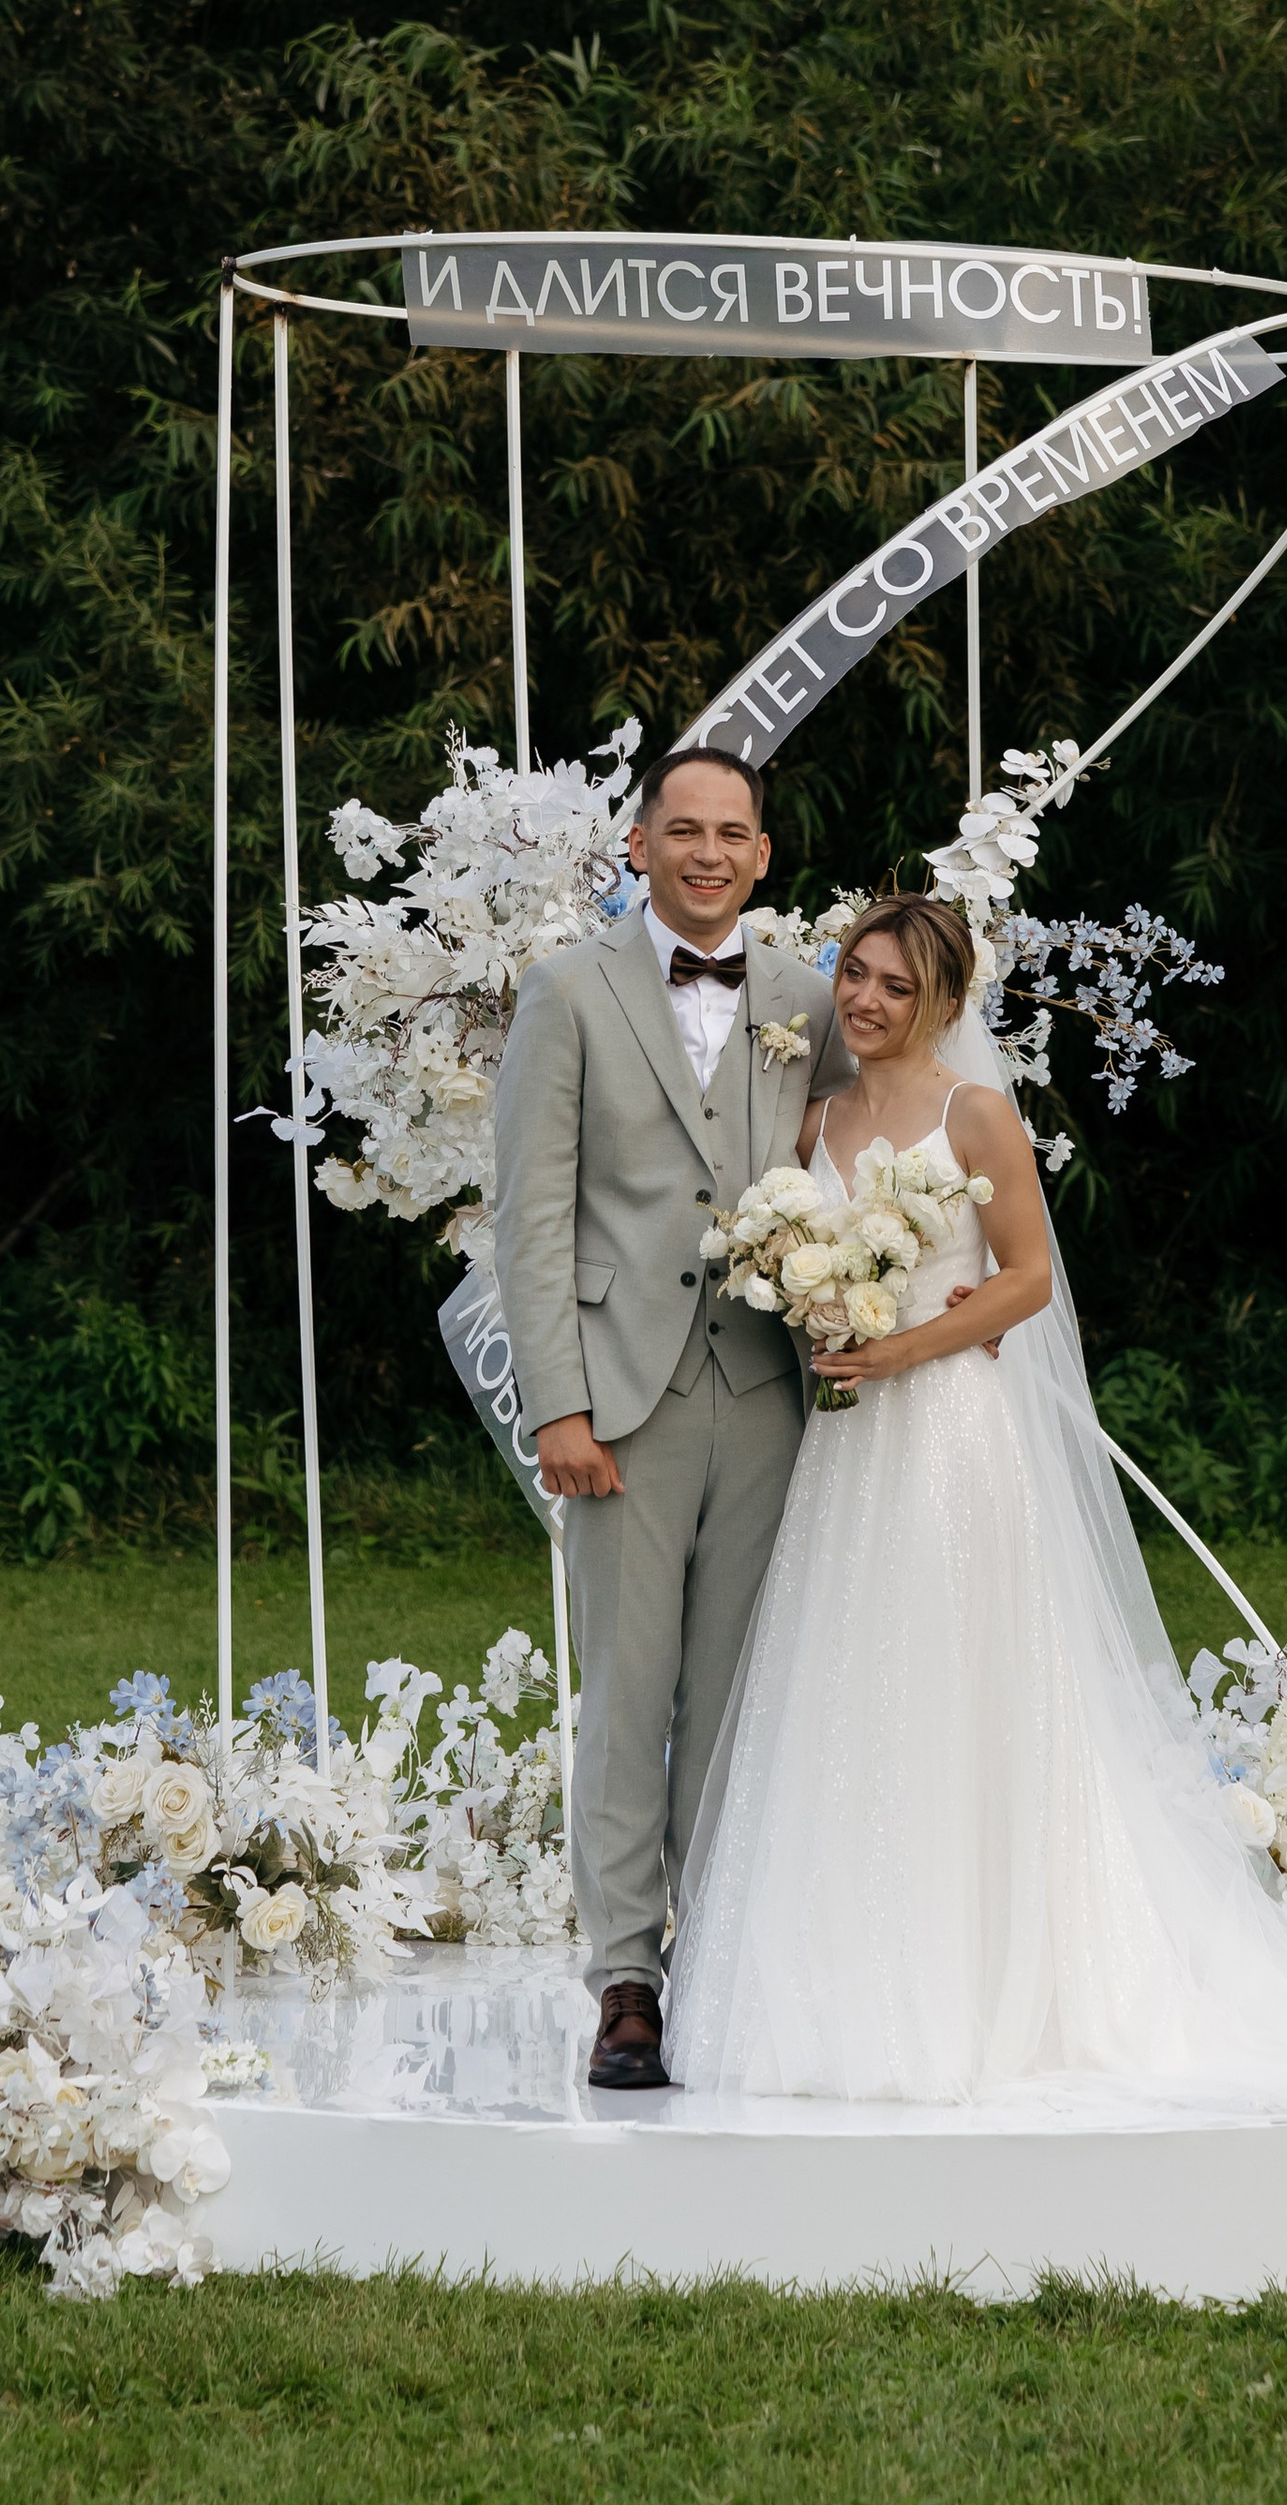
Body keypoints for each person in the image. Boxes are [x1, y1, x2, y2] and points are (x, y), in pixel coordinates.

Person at [663, 891, 1287, 2152]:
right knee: (854, 1685)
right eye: (855, 973)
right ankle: (845, 1983)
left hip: (951, 1435)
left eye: (896, 986)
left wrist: (901, 1346)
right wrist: (826, 1313)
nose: (865, 999)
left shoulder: (975, 1114)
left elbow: (1025, 1278)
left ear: (945, 1003)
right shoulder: (818, 1119)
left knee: (966, 1686)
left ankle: (992, 1990)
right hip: (849, 1451)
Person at [492, 744, 849, 2091]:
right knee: (627, 1694)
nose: (708, 852)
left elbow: (858, 1169)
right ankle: (626, 1982)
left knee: (738, 1701)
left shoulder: (808, 997)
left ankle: (722, 1964)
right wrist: (558, 1404)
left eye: (731, 832)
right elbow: (532, 1214)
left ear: (763, 855)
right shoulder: (567, 990)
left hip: (766, 1390)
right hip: (620, 1395)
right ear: (638, 845)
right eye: (683, 830)